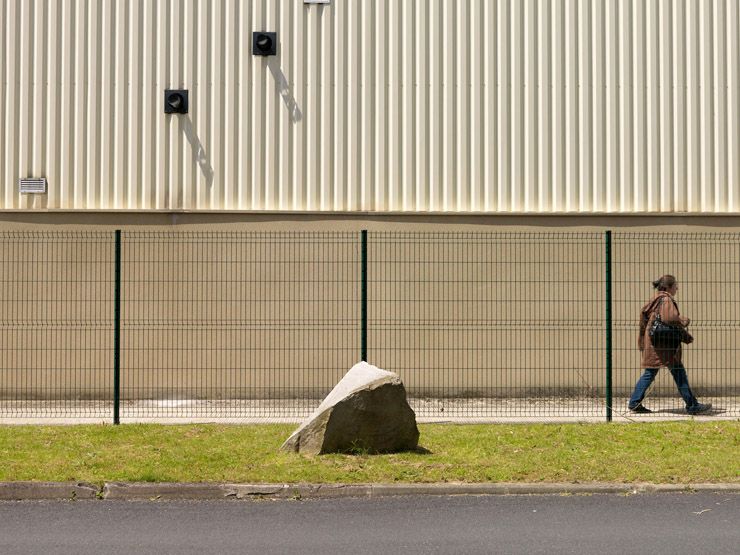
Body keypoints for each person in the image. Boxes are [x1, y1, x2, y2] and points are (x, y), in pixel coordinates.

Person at [628, 275, 712, 415]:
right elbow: (670, 319)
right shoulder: (666, 299)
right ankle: (692, 405)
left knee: (650, 373)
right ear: (668, 287)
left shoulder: (655, 300)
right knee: (679, 373)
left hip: (654, 344)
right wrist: (684, 320)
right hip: (665, 347)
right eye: (675, 286)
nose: (677, 288)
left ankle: (634, 402)